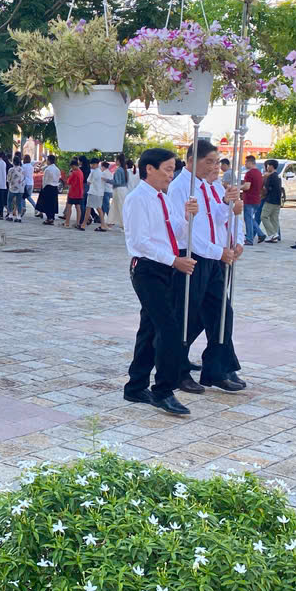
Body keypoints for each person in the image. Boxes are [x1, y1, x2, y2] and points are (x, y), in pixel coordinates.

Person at [123, 147, 199, 417]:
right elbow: (140, 242)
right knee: (169, 328)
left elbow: (177, 233)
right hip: (147, 269)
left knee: (150, 327)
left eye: (172, 169)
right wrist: (174, 261)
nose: (171, 175)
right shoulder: (137, 199)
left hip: (166, 268)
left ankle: (136, 386)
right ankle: (163, 390)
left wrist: (188, 216)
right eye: (167, 169)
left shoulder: (164, 199)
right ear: (149, 169)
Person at [167, 140, 246, 394]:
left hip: (212, 258)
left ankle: (216, 369)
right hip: (193, 257)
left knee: (221, 313)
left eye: (216, 162)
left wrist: (227, 204)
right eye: (209, 161)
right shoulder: (180, 187)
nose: (214, 167)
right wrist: (217, 251)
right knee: (186, 316)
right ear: (191, 160)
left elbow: (216, 220)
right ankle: (177, 371)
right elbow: (186, 232)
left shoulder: (207, 186)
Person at [241, 155, 264, 245]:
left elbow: (247, 186)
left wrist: (238, 187)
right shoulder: (259, 173)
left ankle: (250, 239)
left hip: (249, 199)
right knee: (251, 218)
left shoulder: (249, 173)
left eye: (246, 162)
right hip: (257, 198)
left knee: (248, 219)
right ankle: (260, 234)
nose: (245, 164)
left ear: (250, 162)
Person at [260, 158, 283, 243]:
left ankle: (272, 234)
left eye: (268, 165)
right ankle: (275, 236)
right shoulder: (278, 176)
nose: (267, 167)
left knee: (264, 216)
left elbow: (266, 189)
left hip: (270, 200)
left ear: (271, 166)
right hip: (278, 200)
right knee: (274, 218)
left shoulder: (271, 176)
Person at [86, 160, 108, 231]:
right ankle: (103, 225)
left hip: (93, 192)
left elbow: (88, 182)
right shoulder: (101, 172)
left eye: (92, 164)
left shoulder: (93, 172)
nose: (91, 165)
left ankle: (83, 224)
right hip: (100, 193)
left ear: (96, 164)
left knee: (88, 208)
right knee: (99, 209)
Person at [39, 154, 61, 225]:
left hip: (48, 187)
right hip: (55, 187)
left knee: (47, 203)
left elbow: (45, 180)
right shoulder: (57, 169)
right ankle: (52, 217)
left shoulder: (48, 169)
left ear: (49, 161)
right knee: (53, 203)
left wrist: (43, 187)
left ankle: (49, 218)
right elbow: (58, 178)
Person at [63, 159, 85, 228]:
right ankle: (77, 223)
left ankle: (67, 222)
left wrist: (70, 175)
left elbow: (69, 182)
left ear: (74, 166)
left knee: (69, 207)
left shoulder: (74, 173)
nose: (72, 168)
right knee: (78, 207)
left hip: (73, 192)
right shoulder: (81, 172)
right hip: (79, 192)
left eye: (72, 167)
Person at [110, 157, 130, 229]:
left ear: (118, 161)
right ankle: (111, 222)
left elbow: (117, 182)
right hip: (124, 189)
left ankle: (123, 224)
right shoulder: (125, 170)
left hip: (118, 189)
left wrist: (108, 180)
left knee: (119, 207)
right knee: (119, 206)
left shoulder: (118, 170)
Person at [6, 157, 25, 222]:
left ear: (13, 162)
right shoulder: (22, 169)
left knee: (9, 201)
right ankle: (19, 216)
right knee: (19, 202)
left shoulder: (11, 169)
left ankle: (10, 215)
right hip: (21, 188)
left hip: (13, 187)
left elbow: (8, 179)